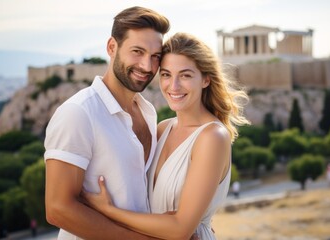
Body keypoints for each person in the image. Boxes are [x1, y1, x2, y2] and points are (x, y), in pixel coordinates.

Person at [81, 32, 250, 239]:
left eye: (186, 75)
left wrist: (109, 210)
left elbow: (180, 229)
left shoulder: (212, 137)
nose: (174, 86)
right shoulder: (162, 129)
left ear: (206, 79)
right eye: (166, 74)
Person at [44, 6, 170, 240]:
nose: (147, 66)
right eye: (137, 51)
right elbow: (58, 210)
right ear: (112, 47)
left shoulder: (148, 111)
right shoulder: (78, 113)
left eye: (155, 57)